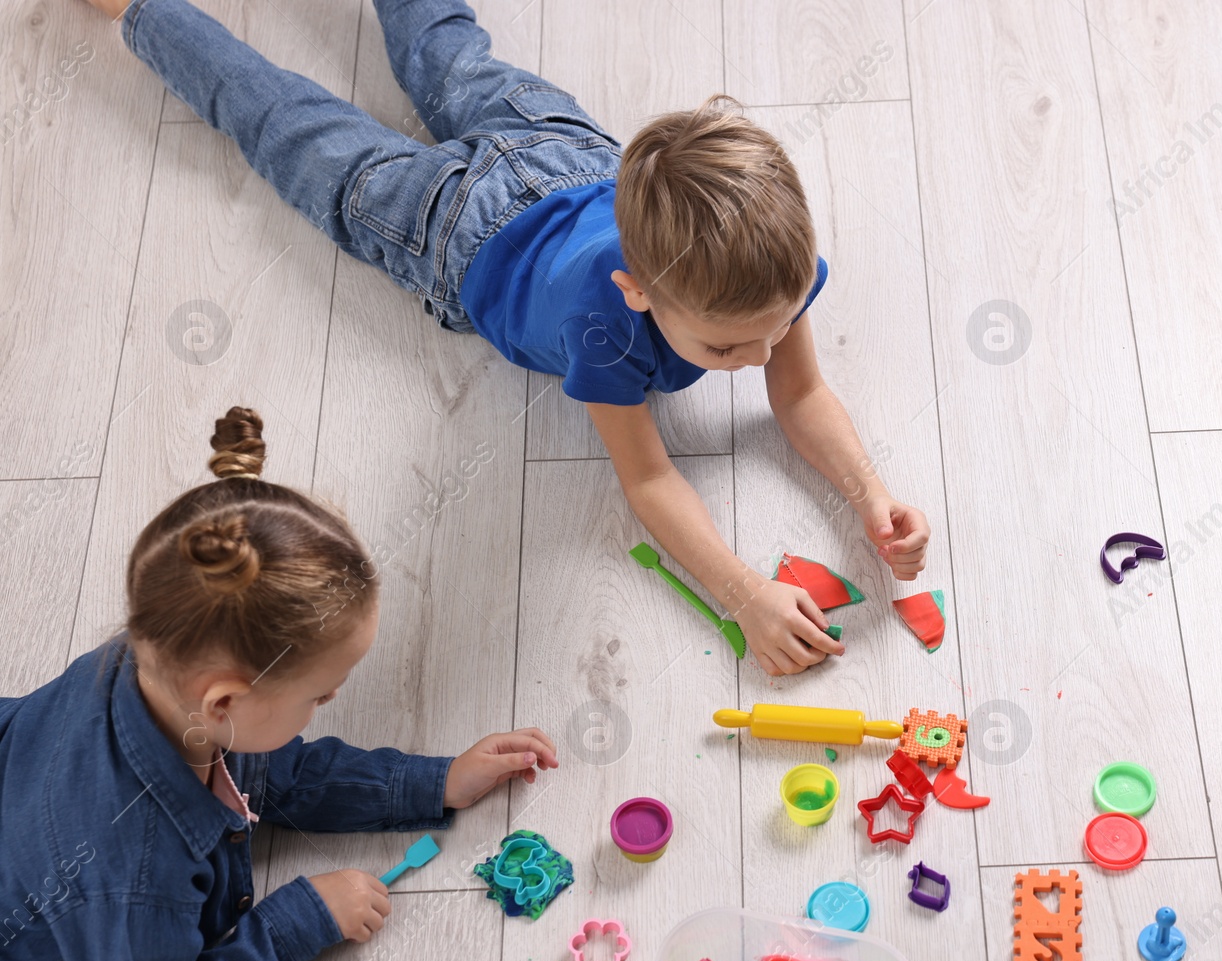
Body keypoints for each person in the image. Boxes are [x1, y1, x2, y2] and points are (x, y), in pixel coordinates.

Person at [88, 0, 932, 676]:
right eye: (723, 351)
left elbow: (803, 392)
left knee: (439, 37)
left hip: (562, 150)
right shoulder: (603, 327)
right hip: (448, 229)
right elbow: (646, 478)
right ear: (635, 293)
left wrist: (868, 494)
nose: (757, 361)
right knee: (283, 120)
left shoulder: (765, 272)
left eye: (775, 330)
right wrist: (742, 593)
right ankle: (141, 10)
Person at [0, 407, 559, 961]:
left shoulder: (163, 664)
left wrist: (434, 781)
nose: (332, 702)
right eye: (319, 695)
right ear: (227, 700)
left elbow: (275, 772)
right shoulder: (131, 875)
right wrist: (299, 920)